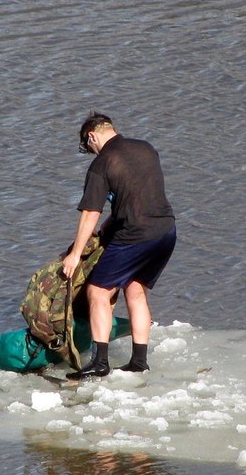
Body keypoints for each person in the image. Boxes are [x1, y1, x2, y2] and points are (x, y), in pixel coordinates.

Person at [61, 112, 176, 378]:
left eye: (88, 147)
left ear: (92, 136)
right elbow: (138, 195)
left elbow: (90, 212)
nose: (92, 152)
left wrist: (75, 255)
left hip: (136, 235)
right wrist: (111, 224)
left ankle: (100, 363)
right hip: (166, 231)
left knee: (98, 291)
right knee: (135, 290)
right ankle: (139, 361)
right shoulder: (146, 149)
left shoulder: (103, 163)